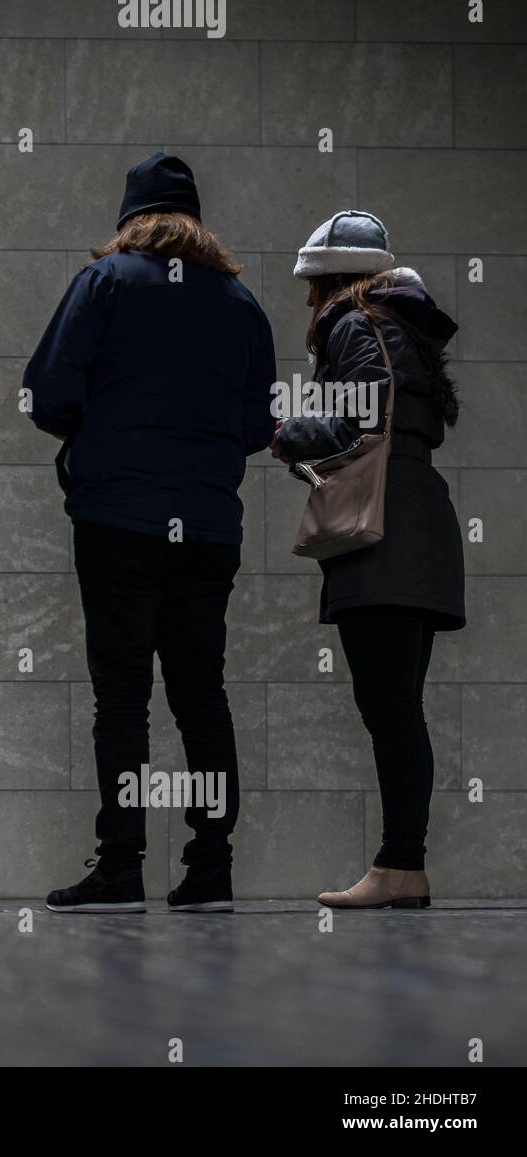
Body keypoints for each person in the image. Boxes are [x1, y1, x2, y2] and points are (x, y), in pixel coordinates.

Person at [26, 152, 276, 914]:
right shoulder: (241, 304)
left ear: (131, 218)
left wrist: (94, 433)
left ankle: (121, 863)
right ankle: (210, 867)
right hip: (205, 528)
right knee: (202, 693)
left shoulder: (104, 283)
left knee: (123, 696)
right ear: (197, 220)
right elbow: (258, 423)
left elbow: (46, 393)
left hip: (116, 519)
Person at [272, 211, 463, 910]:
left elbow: (358, 420)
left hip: (381, 532)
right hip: (421, 528)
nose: (306, 301)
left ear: (335, 281)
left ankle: (400, 864)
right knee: (398, 707)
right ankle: (400, 864)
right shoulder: (403, 330)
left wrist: (287, 433)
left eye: (311, 285)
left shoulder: (355, 325)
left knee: (389, 709)